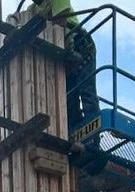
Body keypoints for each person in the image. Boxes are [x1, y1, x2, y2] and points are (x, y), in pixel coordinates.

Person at [32, 0, 99, 132]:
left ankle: (93, 138)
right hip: (62, 55)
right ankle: (77, 137)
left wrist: (68, 57)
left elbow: (60, 26)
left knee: (86, 94)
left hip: (79, 45)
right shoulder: (33, 9)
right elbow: (20, 19)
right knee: (69, 99)